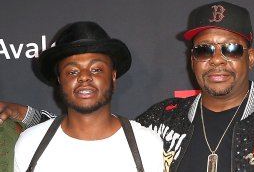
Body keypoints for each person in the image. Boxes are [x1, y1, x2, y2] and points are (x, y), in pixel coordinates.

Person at [1, 1, 254, 172]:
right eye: (204, 49)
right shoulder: (162, 121)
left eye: (231, 48)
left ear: (249, 58)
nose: (217, 59)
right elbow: (92, 134)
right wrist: (26, 116)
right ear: (192, 59)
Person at [12, 21, 164, 172]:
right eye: (72, 71)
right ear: (60, 81)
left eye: (96, 69)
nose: (84, 77)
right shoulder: (30, 143)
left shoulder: (146, 144)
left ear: (113, 77)